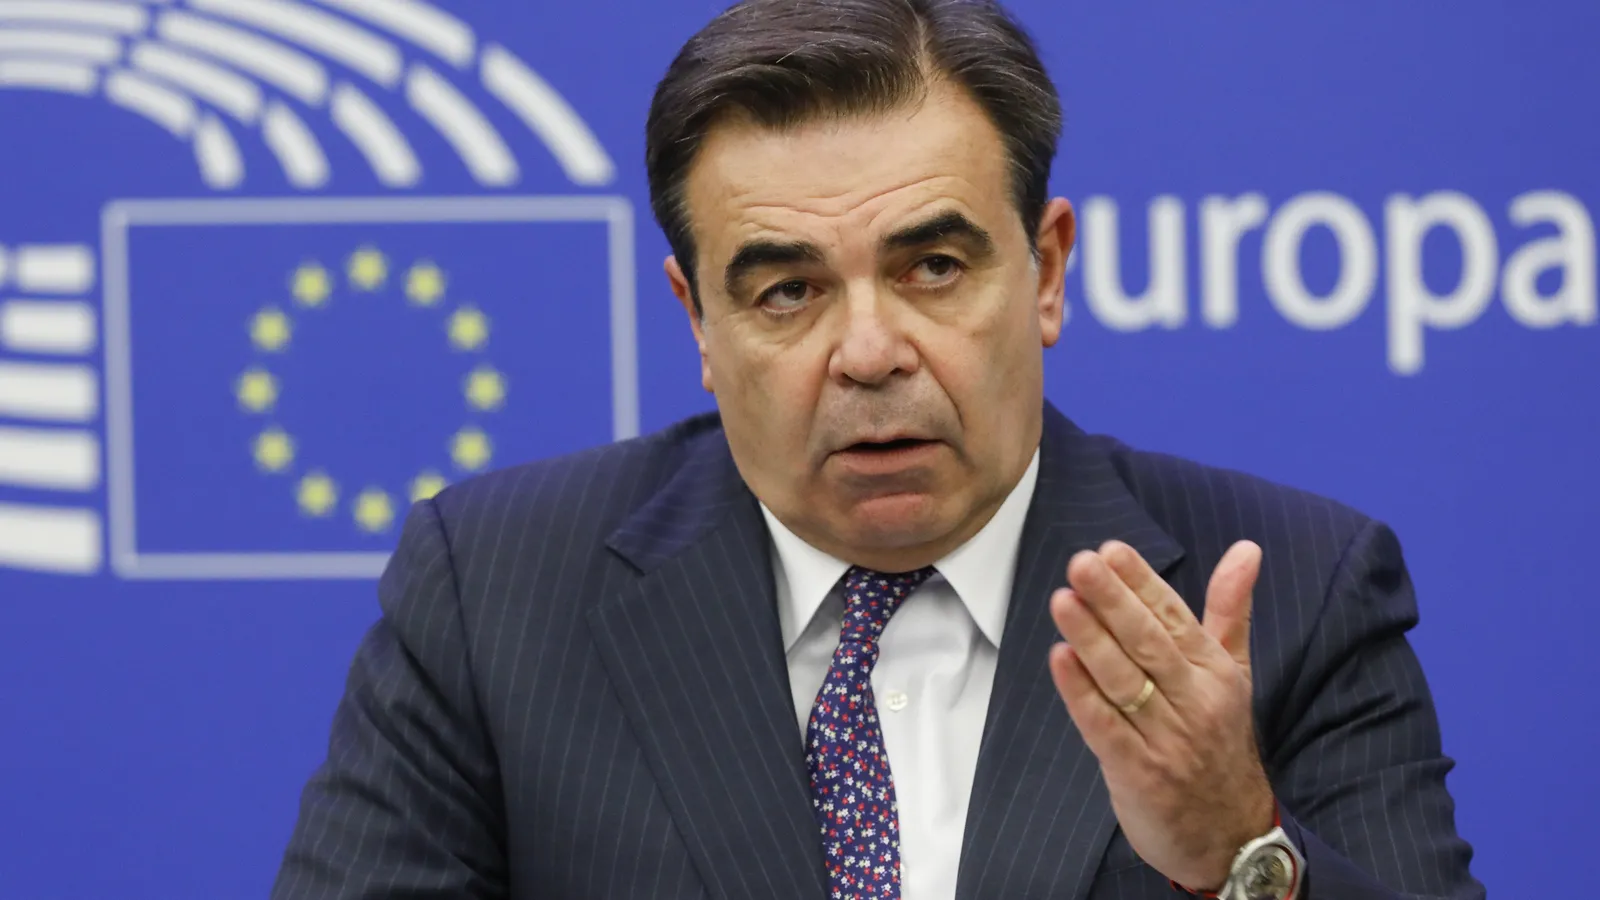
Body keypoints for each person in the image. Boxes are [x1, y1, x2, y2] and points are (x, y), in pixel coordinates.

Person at [271, 1, 1483, 897]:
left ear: (1045, 272)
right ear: (697, 323)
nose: (868, 353)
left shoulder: (1292, 594)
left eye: (933, 268)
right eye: (788, 292)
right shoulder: (494, 591)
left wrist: (1240, 853)